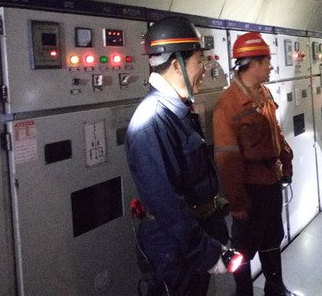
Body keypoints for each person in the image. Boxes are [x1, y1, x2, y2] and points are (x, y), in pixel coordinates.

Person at [125, 16, 230, 296]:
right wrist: (204, 252)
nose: (204, 70)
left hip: (191, 237)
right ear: (176, 65)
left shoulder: (177, 110)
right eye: (199, 61)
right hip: (174, 250)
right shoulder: (151, 121)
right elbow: (166, 202)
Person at [213, 32, 295, 296]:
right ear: (252, 64)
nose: (271, 66)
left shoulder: (263, 93)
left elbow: (276, 132)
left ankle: (275, 289)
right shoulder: (228, 106)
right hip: (249, 189)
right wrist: (236, 202)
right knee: (244, 248)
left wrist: (286, 159)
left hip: (271, 181)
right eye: (267, 61)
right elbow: (227, 159)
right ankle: (244, 293)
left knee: (272, 237)